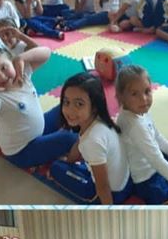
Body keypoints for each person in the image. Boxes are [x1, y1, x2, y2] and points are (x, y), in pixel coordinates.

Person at [0, 44, 76, 168]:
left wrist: (21, 58)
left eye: (4, 67)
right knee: (69, 139)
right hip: (22, 151)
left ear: (11, 62)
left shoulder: (22, 74)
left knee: (66, 108)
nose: (1, 76)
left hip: (39, 131)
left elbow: (46, 52)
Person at [115, 65, 168, 204]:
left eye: (147, 91)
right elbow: (157, 161)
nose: (144, 99)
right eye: (134, 94)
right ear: (121, 97)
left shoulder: (139, 109)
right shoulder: (134, 125)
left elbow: (157, 137)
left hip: (154, 158)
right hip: (147, 179)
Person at [51, 73, 132, 204]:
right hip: (126, 179)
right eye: (66, 102)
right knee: (78, 158)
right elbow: (80, 140)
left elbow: (103, 187)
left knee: (55, 168)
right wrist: (70, 159)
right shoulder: (100, 120)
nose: (70, 110)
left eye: (79, 104)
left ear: (94, 106)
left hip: (114, 192)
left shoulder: (92, 142)